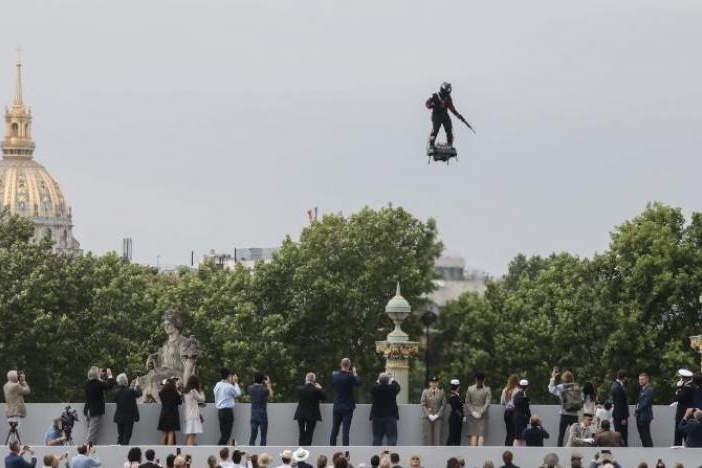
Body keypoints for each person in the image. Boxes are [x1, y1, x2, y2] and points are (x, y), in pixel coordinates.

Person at [140, 310, 202, 403]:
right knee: (137, 382)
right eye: (165, 324)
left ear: (176, 324)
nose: (166, 326)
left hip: (176, 376)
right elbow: (159, 363)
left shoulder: (184, 342)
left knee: (155, 379)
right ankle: (144, 406)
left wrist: (187, 385)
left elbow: (189, 368)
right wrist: (151, 361)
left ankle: (160, 405)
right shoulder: (165, 345)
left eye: (168, 324)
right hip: (163, 374)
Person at [425, 82, 470, 149]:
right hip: (436, 115)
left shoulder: (448, 98)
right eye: (447, 89)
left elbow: (451, 107)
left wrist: (458, 115)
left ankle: (449, 144)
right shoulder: (435, 96)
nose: (448, 91)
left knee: (449, 128)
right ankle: (431, 144)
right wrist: (431, 105)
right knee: (436, 129)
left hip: (445, 115)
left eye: (449, 89)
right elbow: (427, 103)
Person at [329, 358, 361, 446]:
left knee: (335, 429)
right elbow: (358, 383)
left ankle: (332, 448)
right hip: (348, 406)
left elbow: (331, 385)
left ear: (341, 364)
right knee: (345, 431)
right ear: (349, 365)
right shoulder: (351, 376)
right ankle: (346, 451)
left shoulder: (335, 376)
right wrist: (355, 373)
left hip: (337, 405)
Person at [548, 369, 583, 447]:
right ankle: (576, 449)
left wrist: (553, 377)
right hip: (574, 414)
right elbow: (582, 399)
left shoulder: (561, 387)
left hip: (564, 414)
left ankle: (559, 449)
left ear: (564, 378)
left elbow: (551, 389)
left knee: (561, 434)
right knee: (576, 434)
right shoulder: (577, 387)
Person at [83, 366, 115, 444]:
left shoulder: (87, 383)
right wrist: (110, 375)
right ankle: (86, 450)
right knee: (92, 432)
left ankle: (92, 448)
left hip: (88, 410)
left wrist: (98, 376)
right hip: (95, 410)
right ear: (96, 375)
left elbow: (96, 382)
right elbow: (109, 386)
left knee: (91, 431)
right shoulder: (97, 383)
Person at [293, 372, 326, 446]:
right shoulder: (316, 390)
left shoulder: (299, 389)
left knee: (301, 433)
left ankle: (300, 451)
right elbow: (324, 397)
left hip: (301, 414)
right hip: (312, 415)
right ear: (314, 380)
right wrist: (320, 388)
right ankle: (307, 450)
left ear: (306, 379)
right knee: (309, 434)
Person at [369, 372, 401, 446]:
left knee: (377, 437)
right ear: (388, 381)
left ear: (379, 380)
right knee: (392, 438)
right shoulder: (392, 388)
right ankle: (391, 455)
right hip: (390, 416)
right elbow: (397, 386)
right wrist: (391, 378)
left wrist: (380, 379)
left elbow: (374, 385)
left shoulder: (375, 388)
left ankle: (376, 456)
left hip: (377, 416)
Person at [214, 368, 241, 445]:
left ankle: (222, 449)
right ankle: (219, 449)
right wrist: (236, 383)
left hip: (220, 411)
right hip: (227, 412)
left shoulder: (217, 385)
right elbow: (238, 394)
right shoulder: (229, 386)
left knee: (223, 433)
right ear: (229, 376)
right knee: (227, 434)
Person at [114, 373, 142, 446]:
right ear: (126, 381)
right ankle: (124, 452)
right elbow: (139, 394)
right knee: (127, 436)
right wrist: (137, 385)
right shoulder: (131, 391)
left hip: (119, 417)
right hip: (129, 417)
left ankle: (118, 451)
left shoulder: (116, 392)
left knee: (120, 436)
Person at [466, 371, 491, 446]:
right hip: (483, 415)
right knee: (481, 435)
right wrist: (481, 412)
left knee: (473, 435)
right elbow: (487, 403)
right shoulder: (487, 389)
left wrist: (472, 412)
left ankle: (473, 454)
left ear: (475, 379)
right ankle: (480, 454)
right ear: (484, 379)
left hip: (472, 414)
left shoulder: (470, 389)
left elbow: (467, 402)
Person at [248, 372, 274, 446]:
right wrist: (268, 384)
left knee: (253, 436)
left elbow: (252, 387)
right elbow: (271, 394)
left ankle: (251, 452)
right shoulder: (264, 390)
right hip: (263, 415)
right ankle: (262, 454)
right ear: (263, 380)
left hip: (254, 414)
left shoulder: (250, 388)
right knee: (263, 437)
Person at [420, 375, 446, 446]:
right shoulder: (425, 392)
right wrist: (429, 415)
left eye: (436, 382)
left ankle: (438, 454)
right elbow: (423, 404)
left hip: (438, 417)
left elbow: (443, 405)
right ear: (429, 383)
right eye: (432, 382)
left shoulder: (442, 392)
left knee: (438, 437)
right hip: (427, 417)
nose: (434, 384)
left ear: (438, 383)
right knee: (427, 437)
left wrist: (438, 414)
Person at [4, 370, 30, 436]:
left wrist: (19, 381)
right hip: (16, 412)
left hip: (9, 412)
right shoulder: (15, 386)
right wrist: (23, 381)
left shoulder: (6, 386)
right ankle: (16, 445)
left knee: (12, 432)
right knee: (17, 433)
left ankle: (12, 444)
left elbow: (16, 386)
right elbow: (27, 391)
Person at [157, 377, 182, 445]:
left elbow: (161, 386)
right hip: (173, 415)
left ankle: (162, 449)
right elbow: (180, 402)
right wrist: (177, 389)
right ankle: (169, 450)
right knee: (171, 433)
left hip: (164, 414)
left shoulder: (162, 393)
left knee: (164, 433)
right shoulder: (175, 393)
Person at [182, 374, 205, 446]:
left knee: (189, 433)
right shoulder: (193, 391)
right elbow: (202, 399)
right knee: (192, 434)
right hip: (193, 415)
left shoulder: (186, 392)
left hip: (188, 415)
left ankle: (185, 448)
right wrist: (201, 391)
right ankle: (189, 450)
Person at [674, 368, 695, 446]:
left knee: (679, 436)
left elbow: (679, 398)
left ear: (683, 378)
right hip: (687, 414)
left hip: (683, 414)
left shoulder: (688, 387)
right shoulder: (688, 386)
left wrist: (678, 388)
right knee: (685, 436)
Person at [610, 369, 629, 446]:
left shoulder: (615, 385)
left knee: (620, 436)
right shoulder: (618, 388)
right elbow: (620, 404)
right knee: (622, 436)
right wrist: (623, 417)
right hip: (620, 417)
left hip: (617, 416)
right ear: (624, 377)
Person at [634, 372, 654, 447]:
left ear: (647, 380)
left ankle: (649, 450)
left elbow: (645, 403)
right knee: (642, 435)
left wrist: (637, 410)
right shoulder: (642, 390)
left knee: (646, 435)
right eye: (639, 379)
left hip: (645, 416)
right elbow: (639, 402)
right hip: (640, 416)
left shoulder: (649, 390)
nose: (640, 381)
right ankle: (645, 449)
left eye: (642, 379)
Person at [500, 374, 519, 446]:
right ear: (517, 381)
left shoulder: (505, 390)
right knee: (514, 432)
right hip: (515, 412)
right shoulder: (518, 390)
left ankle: (507, 447)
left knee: (508, 432)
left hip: (507, 412)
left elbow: (502, 402)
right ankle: (513, 448)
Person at [512, 379, 531, 447]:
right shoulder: (523, 397)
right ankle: (517, 450)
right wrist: (529, 417)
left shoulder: (516, 395)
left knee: (519, 436)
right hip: (521, 418)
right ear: (526, 387)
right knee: (520, 437)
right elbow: (526, 408)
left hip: (517, 416)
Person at [446, 378, 464, 445]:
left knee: (457, 436)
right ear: (458, 387)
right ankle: (447, 450)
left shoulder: (456, 395)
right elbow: (455, 409)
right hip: (455, 418)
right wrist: (461, 415)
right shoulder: (453, 396)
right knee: (452, 435)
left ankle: (456, 451)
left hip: (457, 418)